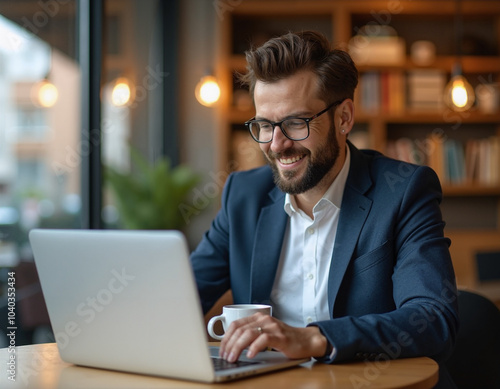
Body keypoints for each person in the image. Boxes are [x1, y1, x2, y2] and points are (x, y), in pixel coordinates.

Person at [190, 31, 459, 388]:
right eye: (265, 125)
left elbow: (432, 317)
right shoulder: (244, 196)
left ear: (344, 118)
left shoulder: (404, 191)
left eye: (295, 123)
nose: (277, 145)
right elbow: (182, 295)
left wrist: (314, 339)